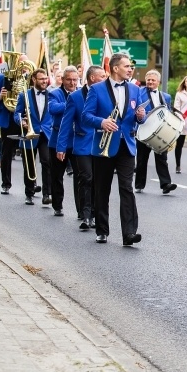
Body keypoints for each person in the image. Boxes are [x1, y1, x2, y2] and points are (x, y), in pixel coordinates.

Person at [82, 54, 142, 245]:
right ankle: (102, 230)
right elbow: (86, 116)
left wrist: (141, 116)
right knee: (102, 189)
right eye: (127, 66)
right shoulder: (96, 89)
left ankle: (129, 233)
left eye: (131, 66)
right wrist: (102, 122)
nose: (130, 69)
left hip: (126, 145)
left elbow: (138, 118)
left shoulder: (135, 89)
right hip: (104, 145)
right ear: (115, 68)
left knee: (127, 188)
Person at [58, 65, 106, 230]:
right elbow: (66, 123)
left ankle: (95, 213)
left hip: (101, 144)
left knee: (98, 181)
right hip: (83, 144)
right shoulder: (75, 97)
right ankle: (86, 215)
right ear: (92, 78)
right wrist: (61, 147)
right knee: (86, 178)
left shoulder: (106, 94)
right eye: (102, 76)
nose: (105, 79)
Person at [13, 68, 53, 206]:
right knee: (29, 164)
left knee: (47, 162)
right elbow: (17, 113)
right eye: (41, 79)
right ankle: (29, 193)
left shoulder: (51, 94)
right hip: (29, 133)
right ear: (34, 80)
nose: (44, 81)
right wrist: (21, 122)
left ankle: (47, 194)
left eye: (46, 78)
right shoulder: (24, 95)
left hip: (46, 134)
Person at [134, 69, 177, 194]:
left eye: (153, 80)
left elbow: (168, 112)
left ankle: (165, 184)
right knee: (142, 159)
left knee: (162, 159)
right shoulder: (139, 92)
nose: (150, 82)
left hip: (160, 132)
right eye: (148, 80)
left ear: (158, 81)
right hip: (144, 131)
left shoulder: (166, 96)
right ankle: (139, 184)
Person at [0, 59, 23, 196]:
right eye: (21, 64)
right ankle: (6, 184)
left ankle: (31, 186)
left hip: (23, 119)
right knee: (6, 152)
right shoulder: (3, 77)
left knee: (28, 153)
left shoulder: (29, 78)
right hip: (8, 118)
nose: (23, 68)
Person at [47, 66, 79, 216]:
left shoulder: (81, 92)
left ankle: (81, 210)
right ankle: (57, 206)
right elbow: (53, 109)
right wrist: (73, 103)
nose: (72, 83)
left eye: (75, 80)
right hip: (58, 139)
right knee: (57, 176)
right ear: (63, 80)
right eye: (69, 80)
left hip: (76, 140)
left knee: (80, 177)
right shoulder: (54, 93)